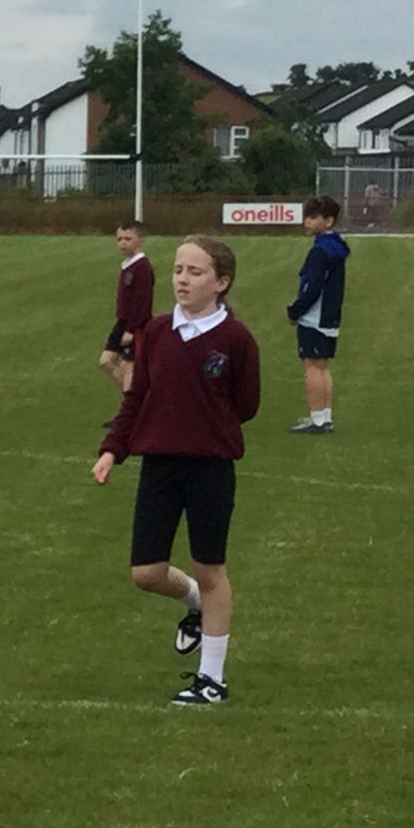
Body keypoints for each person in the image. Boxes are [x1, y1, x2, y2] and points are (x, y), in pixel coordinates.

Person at [92, 237, 260, 706]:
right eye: (179, 270)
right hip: (159, 467)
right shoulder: (158, 332)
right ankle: (193, 606)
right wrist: (112, 450)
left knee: (211, 568)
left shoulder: (236, 340)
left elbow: (246, 404)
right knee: (146, 572)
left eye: (196, 272)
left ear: (221, 282)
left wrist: (205, 425)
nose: (183, 279)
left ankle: (212, 679)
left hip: (210, 469)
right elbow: (137, 397)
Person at [286, 195, 350, 434]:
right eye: (307, 217)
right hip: (330, 315)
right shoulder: (335, 247)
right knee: (322, 366)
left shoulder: (320, 252)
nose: (307, 222)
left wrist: (296, 310)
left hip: (315, 317)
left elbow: (311, 287)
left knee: (311, 367)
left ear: (329, 221)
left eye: (313, 217)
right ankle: (325, 416)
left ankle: (317, 419)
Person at [98, 220, 155, 423]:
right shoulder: (128, 265)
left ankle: (130, 414)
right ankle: (141, 403)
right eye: (119, 239)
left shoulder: (142, 267)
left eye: (128, 239)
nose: (122, 243)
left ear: (141, 240)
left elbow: (142, 300)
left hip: (135, 325)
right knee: (106, 361)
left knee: (129, 367)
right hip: (122, 322)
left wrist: (132, 329)